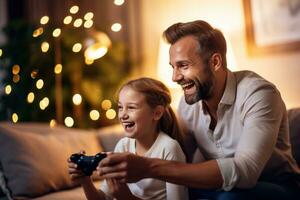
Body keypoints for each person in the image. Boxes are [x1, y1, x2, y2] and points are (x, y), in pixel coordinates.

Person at [96, 20, 300, 199]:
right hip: (219, 188)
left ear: (215, 62)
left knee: (230, 198)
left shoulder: (259, 94)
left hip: (279, 187)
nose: (175, 77)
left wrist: (149, 167)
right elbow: (177, 156)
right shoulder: (188, 105)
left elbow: (245, 172)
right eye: (173, 67)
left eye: (183, 66)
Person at [68, 77, 188, 200]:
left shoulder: (169, 148)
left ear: (157, 113)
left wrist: (126, 197)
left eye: (131, 107)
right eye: (120, 107)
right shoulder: (123, 145)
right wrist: (85, 179)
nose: (122, 115)